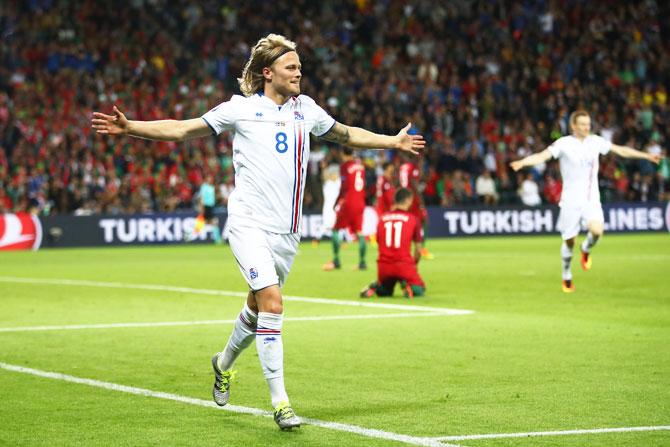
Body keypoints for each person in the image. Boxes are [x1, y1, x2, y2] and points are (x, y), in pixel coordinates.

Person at [91, 33, 424, 429]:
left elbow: (348, 134)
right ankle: (281, 402)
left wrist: (393, 142)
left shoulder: (308, 110)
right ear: (269, 73)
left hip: (287, 233)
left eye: (300, 67)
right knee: (273, 303)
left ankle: (223, 362)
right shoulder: (240, 110)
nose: (299, 72)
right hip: (248, 222)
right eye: (291, 67)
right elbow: (183, 129)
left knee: (256, 306)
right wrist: (131, 128)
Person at [510, 110, 661, 293]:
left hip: (591, 199)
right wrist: (523, 162)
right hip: (570, 202)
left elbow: (620, 150)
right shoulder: (564, 143)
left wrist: (646, 155)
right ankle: (566, 275)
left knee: (597, 231)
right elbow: (543, 156)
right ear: (573, 126)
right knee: (569, 242)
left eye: (588, 123)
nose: (586, 127)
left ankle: (586, 248)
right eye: (582, 124)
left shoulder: (595, 142)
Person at [360, 187, 426, 298]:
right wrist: (414, 264)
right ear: (408, 200)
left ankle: (376, 287)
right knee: (420, 288)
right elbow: (418, 250)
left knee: (385, 292)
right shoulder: (413, 219)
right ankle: (409, 287)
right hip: (403, 265)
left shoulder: (382, 218)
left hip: (384, 267)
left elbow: (378, 242)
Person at [323, 147, 368, 271]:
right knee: (359, 232)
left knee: (336, 230)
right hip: (360, 202)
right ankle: (363, 262)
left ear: (343, 154)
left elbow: (344, 187)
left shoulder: (344, 166)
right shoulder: (361, 166)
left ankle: (336, 260)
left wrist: (337, 202)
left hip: (349, 202)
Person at [398, 154, 434, 259]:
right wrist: (421, 201)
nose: (421, 162)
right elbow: (414, 184)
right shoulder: (413, 167)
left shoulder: (402, 167)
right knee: (423, 222)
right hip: (413, 200)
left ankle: (404, 249)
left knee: (406, 224)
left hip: (403, 198)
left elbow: (399, 181)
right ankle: (421, 249)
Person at [186, 173, 222, 243]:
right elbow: (201, 198)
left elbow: (213, 198)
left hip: (211, 207)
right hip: (205, 207)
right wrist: (202, 207)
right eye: (209, 178)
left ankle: (190, 236)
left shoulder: (212, 187)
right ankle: (218, 240)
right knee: (209, 223)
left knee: (207, 223)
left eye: (211, 178)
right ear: (206, 179)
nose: (210, 180)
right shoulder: (204, 187)